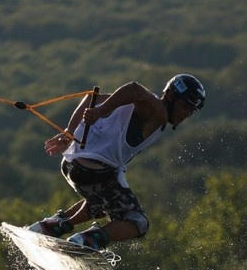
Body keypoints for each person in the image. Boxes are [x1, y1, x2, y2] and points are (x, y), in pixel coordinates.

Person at [27, 74, 205, 250]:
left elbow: (91, 98)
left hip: (73, 166)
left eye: (191, 111)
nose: (187, 114)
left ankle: (54, 226)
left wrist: (69, 133)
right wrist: (100, 112)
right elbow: (135, 88)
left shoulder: (144, 106)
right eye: (185, 106)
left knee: (106, 202)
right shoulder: (158, 111)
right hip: (94, 173)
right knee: (138, 222)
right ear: (171, 96)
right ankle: (86, 242)